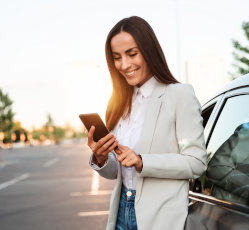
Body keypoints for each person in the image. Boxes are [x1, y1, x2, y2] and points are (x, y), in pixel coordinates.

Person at [86, 16, 206, 230]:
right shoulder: (119, 104)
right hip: (121, 212)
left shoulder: (179, 95)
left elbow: (196, 162)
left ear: (149, 50)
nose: (124, 65)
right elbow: (117, 172)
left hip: (161, 218)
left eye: (132, 54)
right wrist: (102, 157)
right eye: (117, 57)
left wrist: (143, 161)